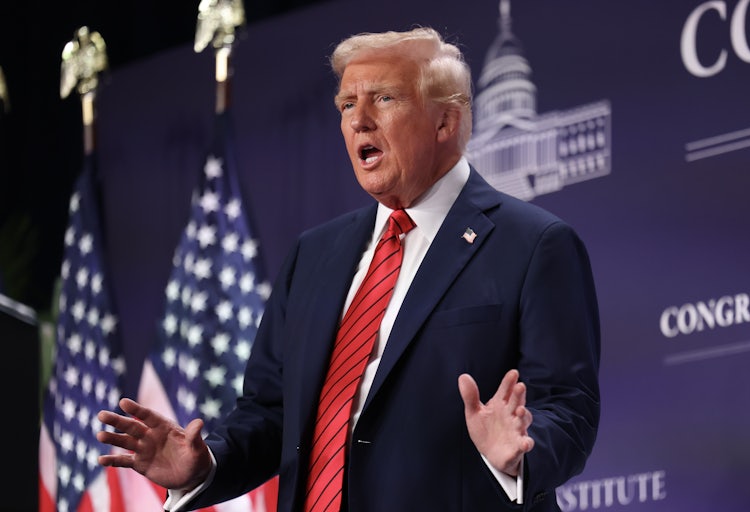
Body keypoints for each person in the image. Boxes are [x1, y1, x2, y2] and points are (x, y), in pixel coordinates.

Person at [97, 26, 600, 512]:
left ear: (445, 122)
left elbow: (568, 408)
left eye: (383, 99)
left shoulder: (533, 245)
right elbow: (271, 412)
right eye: (346, 105)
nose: (358, 120)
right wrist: (206, 462)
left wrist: (520, 449)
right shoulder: (314, 255)